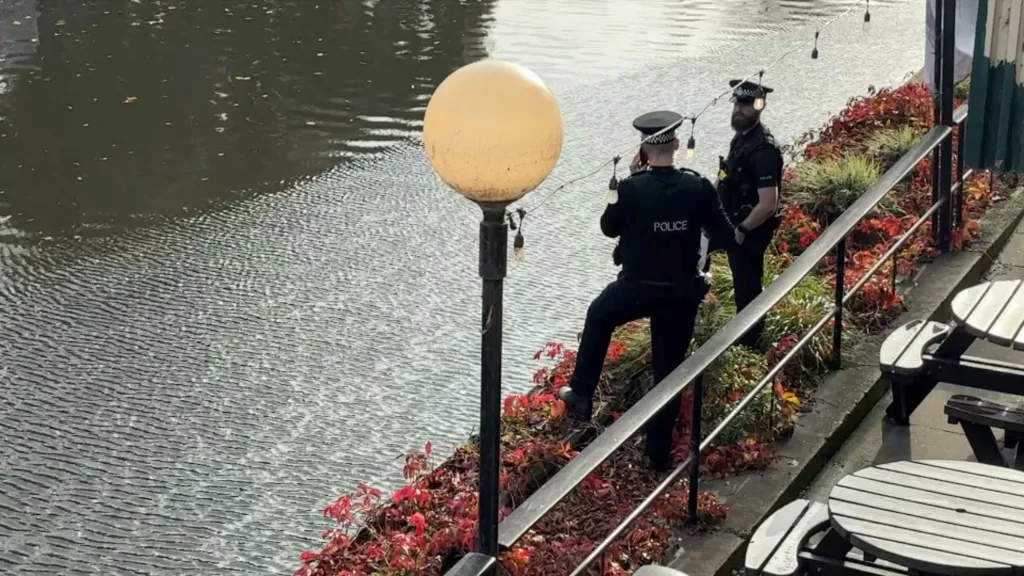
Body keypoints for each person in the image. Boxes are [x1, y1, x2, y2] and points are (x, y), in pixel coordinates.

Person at [557, 110, 736, 472]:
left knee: (599, 314)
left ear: (643, 147)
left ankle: (581, 394)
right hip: (681, 293)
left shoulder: (631, 189)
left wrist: (631, 183)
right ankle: (657, 453)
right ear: (674, 144)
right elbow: (725, 234)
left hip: (637, 289)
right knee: (667, 372)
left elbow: (608, 228)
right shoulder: (698, 185)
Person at [717, 79, 785, 348]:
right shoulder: (741, 138)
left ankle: (750, 345)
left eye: (745, 104)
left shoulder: (764, 149)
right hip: (732, 222)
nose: (738, 109)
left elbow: (768, 203)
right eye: (736, 103)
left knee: (748, 289)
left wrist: (743, 229)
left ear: (759, 106)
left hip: (749, 231)